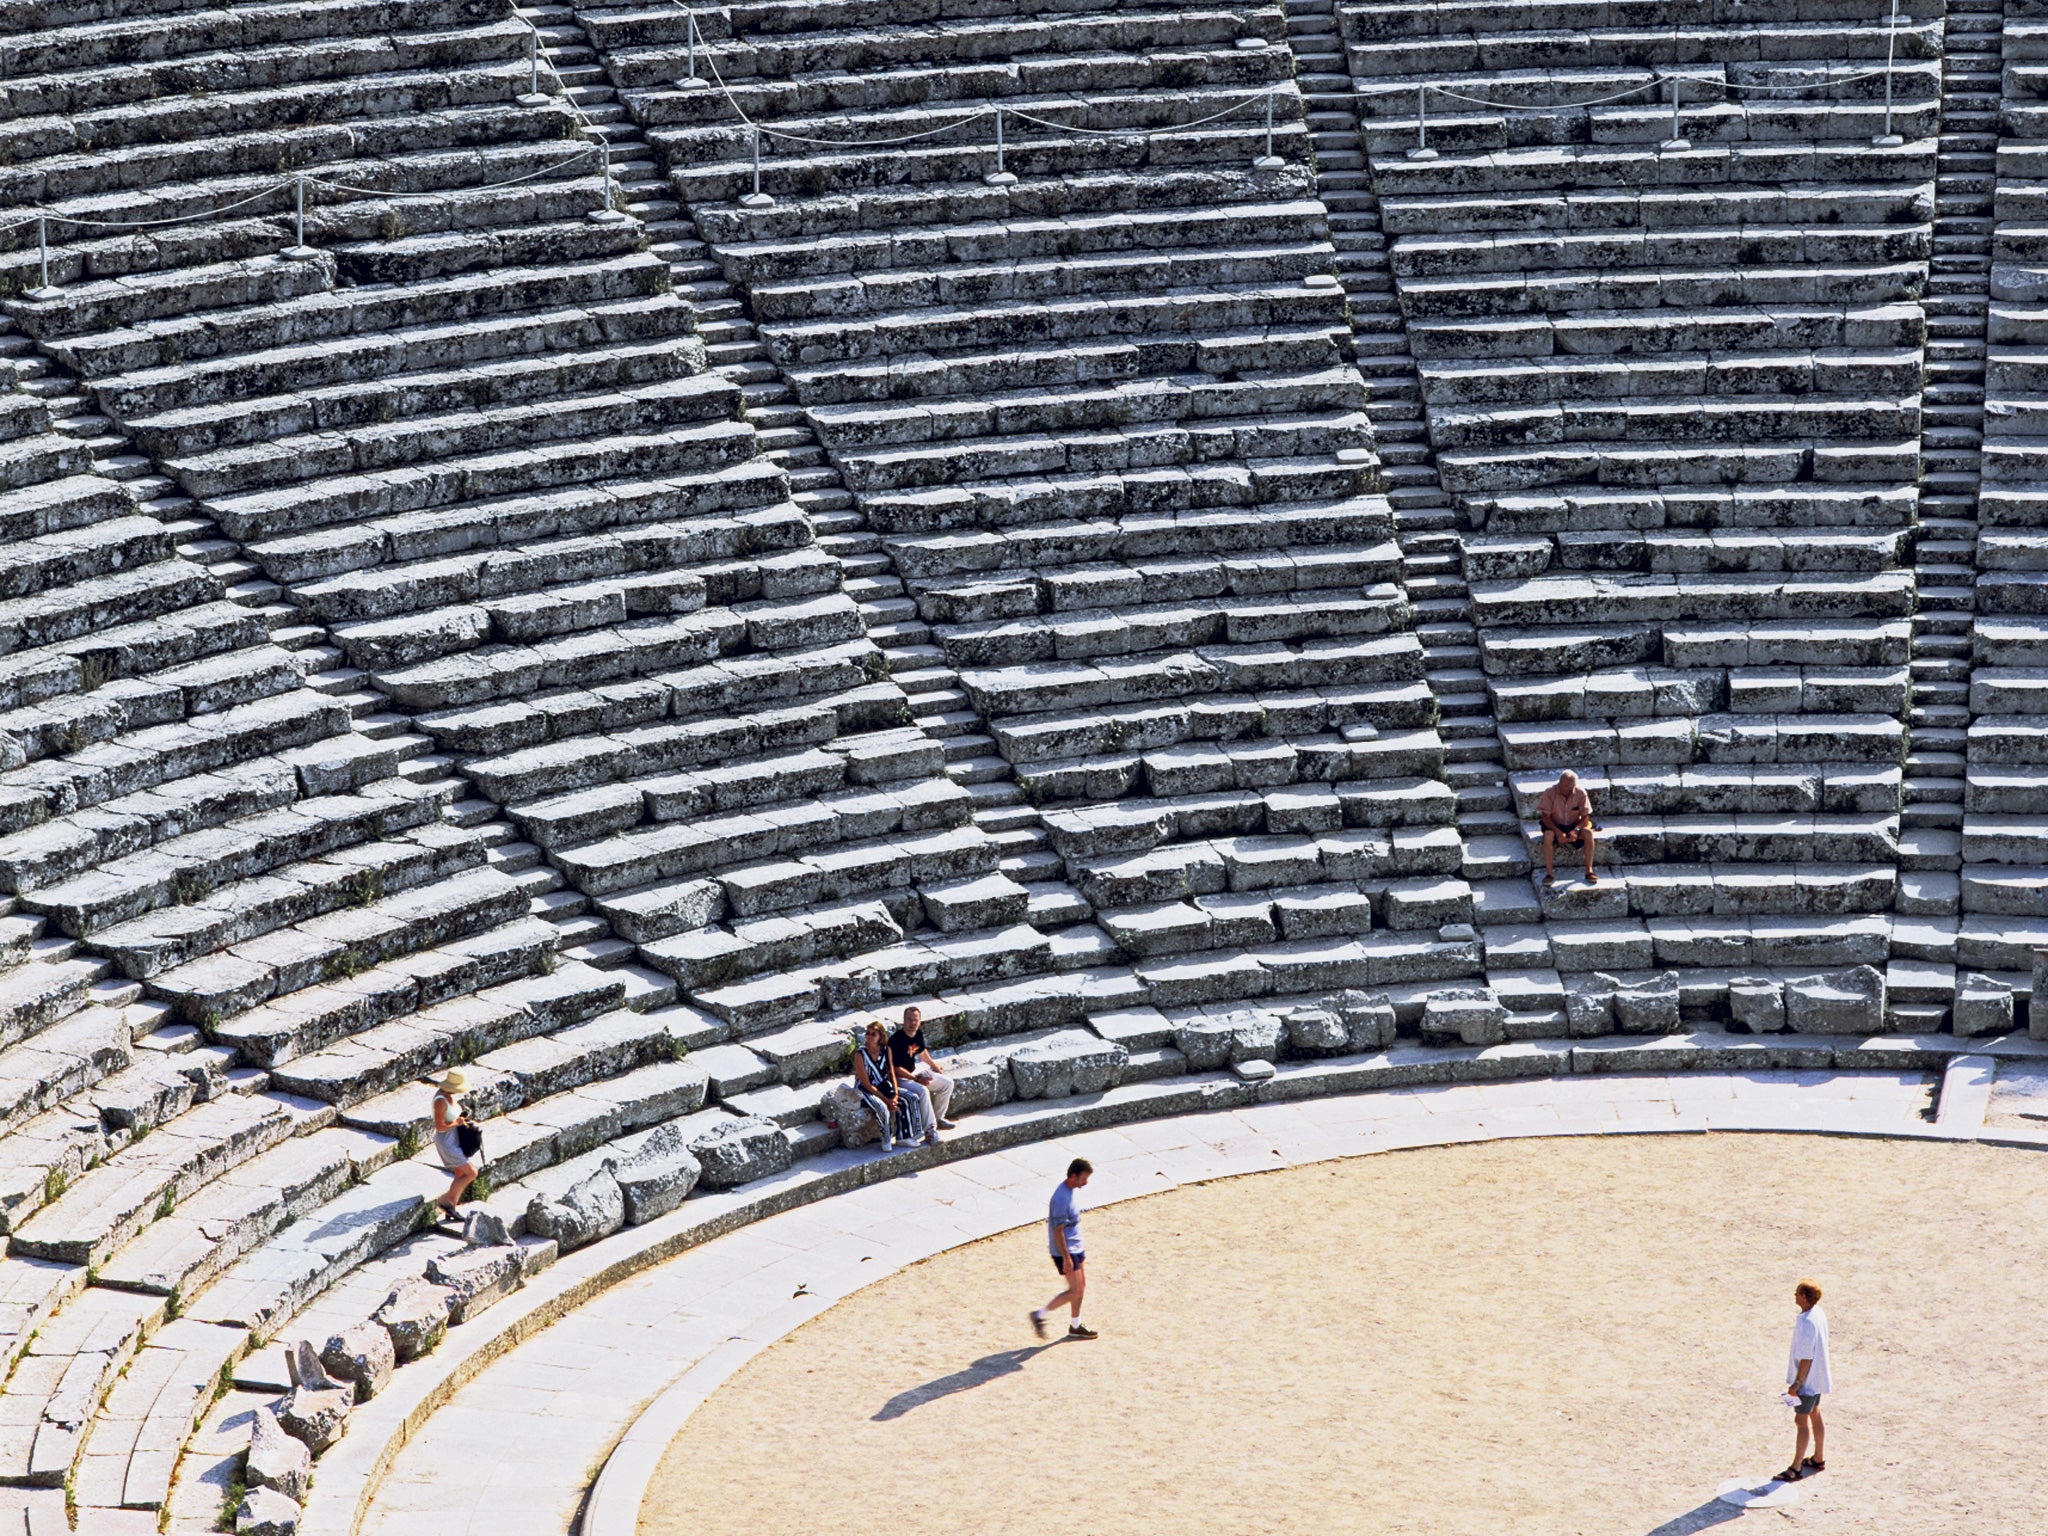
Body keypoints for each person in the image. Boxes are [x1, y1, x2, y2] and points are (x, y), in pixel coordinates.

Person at [1031, 1158, 1097, 1341]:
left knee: (1080, 1287)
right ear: (1073, 1176)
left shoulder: (1070, 1191)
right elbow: (1058, 1231)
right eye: (1084, 1178)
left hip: (1075, 1247)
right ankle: (1040, 1315)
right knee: (1075, 1290)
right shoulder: (1061, 1198)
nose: (1086, 1182)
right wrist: (1066, 1258)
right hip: (1065, 1251)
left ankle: (1075, 1325)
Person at [1777, 1280, 1832, 1482]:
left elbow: (1806, 1357)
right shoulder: (1818, 1314)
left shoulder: (1806, 1322)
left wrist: (1797, 1384)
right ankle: (1818, 1457)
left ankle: (1796, 1467)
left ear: (1804, 1297)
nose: (1794, 1295)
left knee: (1801, 1421)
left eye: (1797, 1292)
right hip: (1818, 1378)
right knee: (1815, 1414)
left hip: (1807, 1382)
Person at [853, 1020, 921, 1152]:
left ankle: (905, 1137)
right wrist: (887, 1100)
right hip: (866, 1090)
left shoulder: (886, 1050)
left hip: (884, 1086)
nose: (869, 1036)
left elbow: (891, 1073)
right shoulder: (860, 1054)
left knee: (911, 1098)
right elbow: (866, 1083)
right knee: (882, 1107)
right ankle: (886, 1137)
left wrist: (895, 1095)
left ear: (880, 1037)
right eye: (868, 1033)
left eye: (873, 1034)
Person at [889, 1005, 955, 1137]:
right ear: (903, 1021)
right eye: (909, 1020)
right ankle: (930, 1129)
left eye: (915, 1020)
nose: (912, 1023)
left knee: (947, 1083)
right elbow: (895, 1068)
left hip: (914, 1073)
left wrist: (934, 1066)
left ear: (919, 1021)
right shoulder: (896, 1040)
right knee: (923, 1091)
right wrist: (917, 1080)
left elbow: (921, 1052)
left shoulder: (917, 1034)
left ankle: (938, 1118)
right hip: (900, 1079)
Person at [431, 1069, 480, 1221]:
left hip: (454, 1138)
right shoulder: (440, 1101)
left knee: (460, 1173)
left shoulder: (447, 1096)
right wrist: (457, 1123)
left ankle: (451, 1207)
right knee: (472, 1173)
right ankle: (445, 1201)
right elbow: (439, 1126)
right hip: (447, 1141)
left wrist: (462, 1121)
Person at [1537, 768, 1598, 885]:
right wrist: (1558, 831)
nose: (1563, 788)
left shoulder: (1581, 793)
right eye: (1561, 785)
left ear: (1573, 786)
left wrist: (1576, 830)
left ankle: (1589, 870)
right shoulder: (1549, 792)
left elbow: (1586, 816)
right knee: (1548, 835)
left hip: (1574, 824)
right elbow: (1545, 817)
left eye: (1567, 786)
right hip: (1554, 824)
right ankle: (1549, 873)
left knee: (1589, 833)